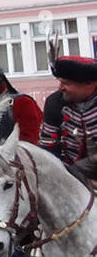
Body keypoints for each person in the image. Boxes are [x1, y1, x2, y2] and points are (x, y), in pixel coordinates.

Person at [39, 54, 97, 182]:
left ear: (89, 84)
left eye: (66, 83)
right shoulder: (55, 103)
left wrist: (79, 169)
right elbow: (48, 146)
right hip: (69, 176)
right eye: (60, 82)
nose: (60, 88)